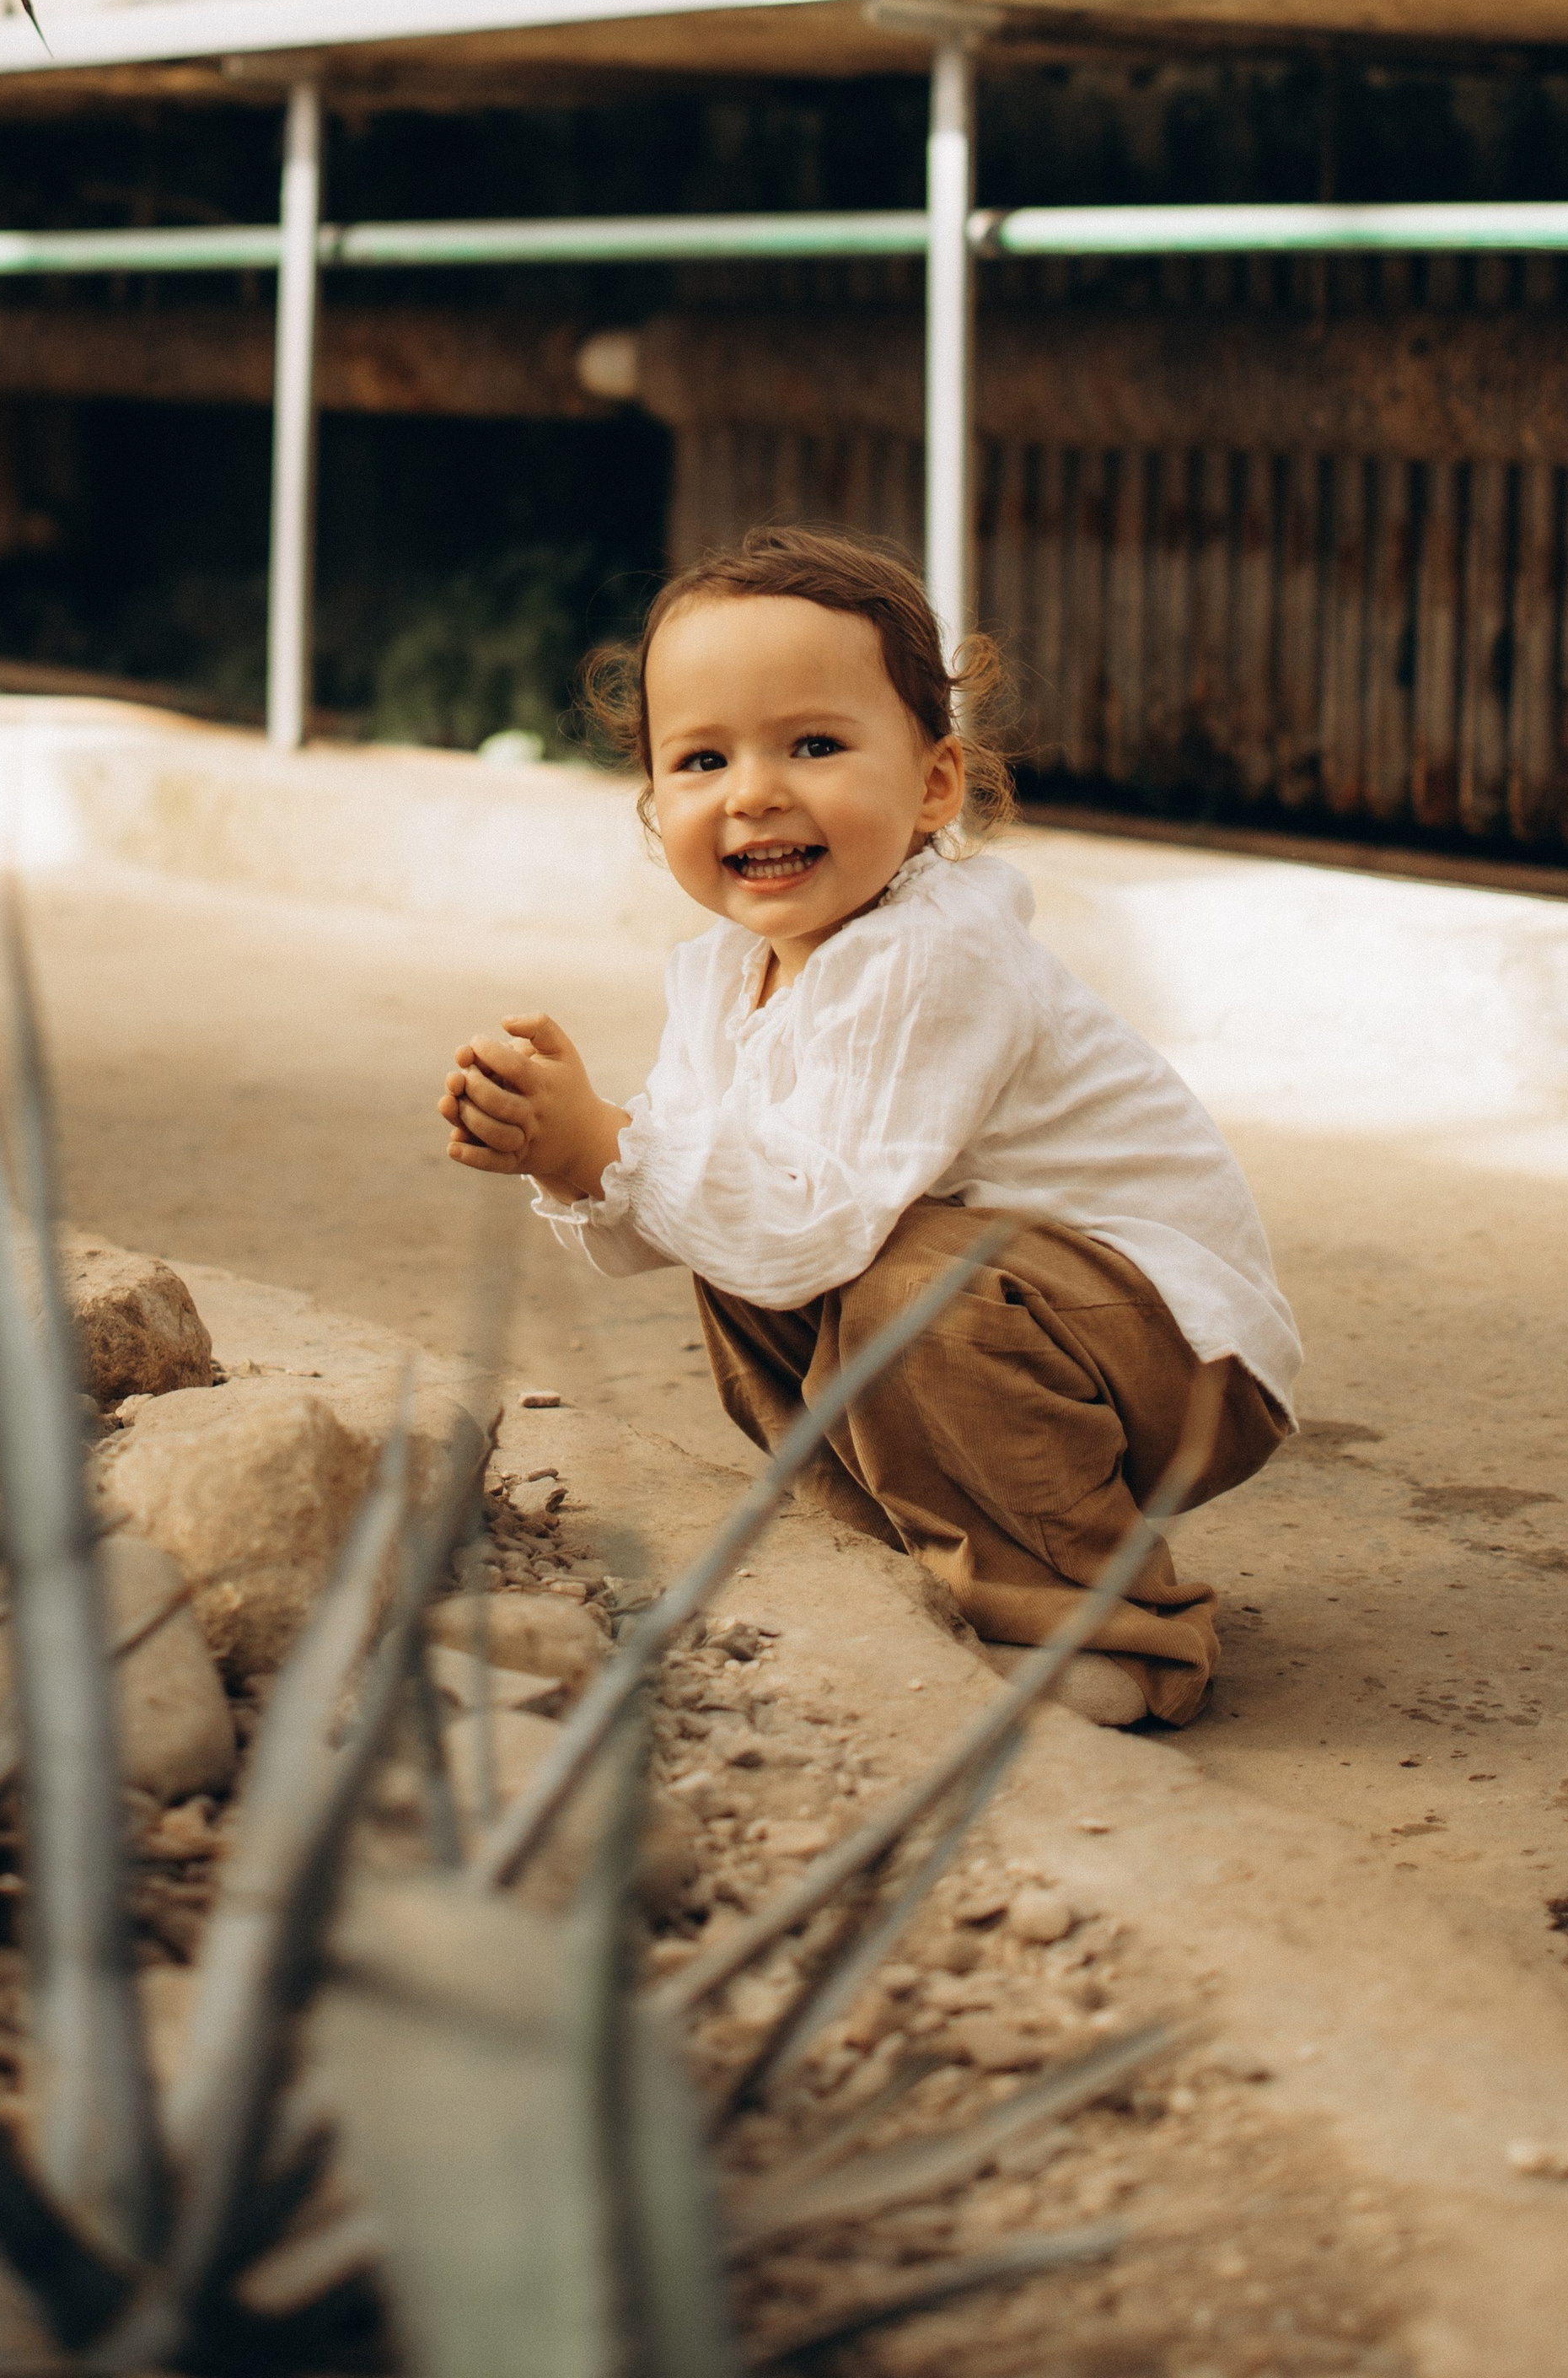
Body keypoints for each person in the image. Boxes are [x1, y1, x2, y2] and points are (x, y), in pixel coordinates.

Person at [437, 525, 1300, 1728]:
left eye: (816, 744)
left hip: (1183, 1357)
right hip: (1040, 1329)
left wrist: (600, 1142)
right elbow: (689, 1221)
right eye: (700, 761)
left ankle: (1117, 1636)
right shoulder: (726, 971)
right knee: (736, 1240)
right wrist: (568, 1149)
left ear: (935, 783)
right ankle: (936, 1558)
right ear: (652, 803)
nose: (755, 792)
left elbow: (811, 1229)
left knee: (889, 1285)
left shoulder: (938, 954)